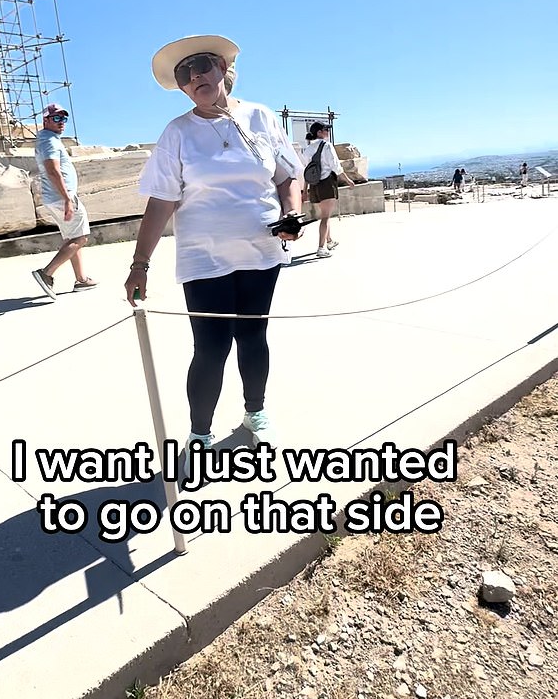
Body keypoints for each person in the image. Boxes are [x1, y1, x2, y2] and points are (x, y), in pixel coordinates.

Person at [124, 35, 303, 451]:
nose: (195, 77)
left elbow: (285, 175)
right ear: (182, 87)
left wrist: (290, 213)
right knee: (211, 347)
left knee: (254, 338)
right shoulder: (178, 133)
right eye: (184, 74)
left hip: (261, 251)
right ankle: (200, 435)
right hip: (204, 259)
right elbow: (161, 200)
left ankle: (254, 413)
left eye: (202, 65)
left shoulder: (261, 117)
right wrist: (139, 263)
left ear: (222, 68)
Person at [31, 103, 97, 300]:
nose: (62, 123)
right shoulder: (48, 141)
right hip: (62, 197)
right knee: (81, 238)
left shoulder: (48, 139)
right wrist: (68, 199)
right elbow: (53, 170)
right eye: (57, 118)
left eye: (64, 119)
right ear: (45, 120)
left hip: (57, 197)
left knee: (72, 237)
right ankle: (46, 273)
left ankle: (81, 279)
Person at [302, 122, 355, 258]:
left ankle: (329, 241)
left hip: (315, 185)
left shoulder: (307, 150)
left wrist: (305, 190)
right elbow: (336, 167)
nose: (327, 132)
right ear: (319, 132)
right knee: (325, 217)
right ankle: (321, 248)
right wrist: (348, 180)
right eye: (325, 129)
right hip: (326, 183)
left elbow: (306, 171)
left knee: (325, 214)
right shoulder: (326, 146)